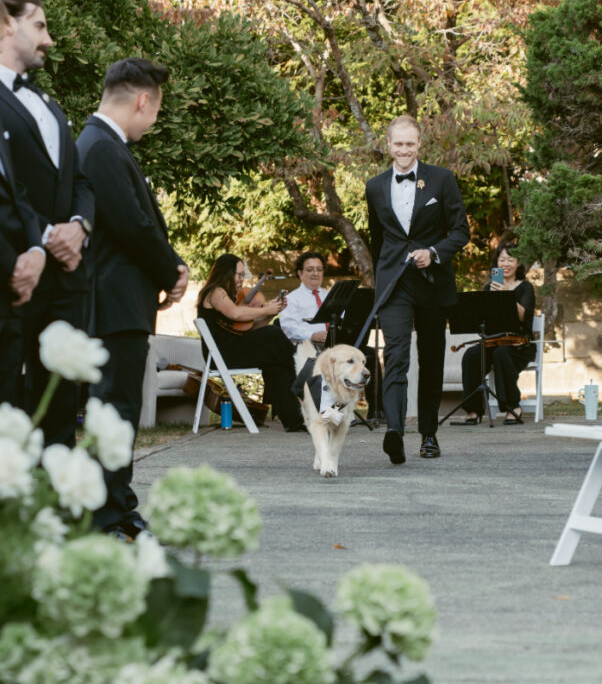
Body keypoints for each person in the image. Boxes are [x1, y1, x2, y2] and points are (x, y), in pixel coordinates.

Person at [76, 57, 188, 540]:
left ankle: (119, 506)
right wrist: (171, 270)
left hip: (122, 302)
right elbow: (131, 226)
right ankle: (104, 517)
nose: (154, 120)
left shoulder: (105, 145)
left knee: (119, 412)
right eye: (156, 110)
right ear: (143, 100)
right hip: (111, 303)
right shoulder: (100, 148)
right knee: (112, 412)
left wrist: (171, 266)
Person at [0, 0, 93, 444]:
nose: (49, 39)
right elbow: (7, 189)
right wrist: (41, 237)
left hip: (66, 276)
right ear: (6, 25)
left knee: (62, 402)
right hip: (16, 270)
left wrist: (78, 228)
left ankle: (58, 508)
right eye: (39, 26)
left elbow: (79, 181)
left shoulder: (51, 106)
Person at [366, 115, 470, 464]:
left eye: (410, 144)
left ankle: (428, 434)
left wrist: (434, 252)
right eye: (399, 144)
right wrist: (383, 274)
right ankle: (394, 430)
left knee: (430, 359)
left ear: (420, 144)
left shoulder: (442, 180)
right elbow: (377, 239)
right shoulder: (374, 186)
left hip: (432, 283)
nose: (404, 150)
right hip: (394, 284)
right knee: (395, 354)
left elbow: (460, 231)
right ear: (388, 145)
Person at [197, 254, 305, 431]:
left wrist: (270, 313)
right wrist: (266, 308)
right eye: (239, 274)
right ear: (227, 273)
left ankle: (294, 420)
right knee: (274, 334)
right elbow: (236, 314)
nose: (241, 279)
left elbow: (249, 328)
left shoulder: (228, 296)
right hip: (222, 354)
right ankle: (302, 373)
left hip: (233, 349)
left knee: (274, 364)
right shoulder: (216, 292)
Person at [0, 0, 46, 404]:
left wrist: (34, 248)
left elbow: (18, 194)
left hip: (11, 298)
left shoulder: (29, 105)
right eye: (39, 26)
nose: (48, 39)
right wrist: (13, 263)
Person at [280, 250, 383, 418]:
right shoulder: (292, 299)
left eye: (319, 269)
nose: (315, 273)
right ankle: (332, 412)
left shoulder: (330, 295)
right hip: (311, 348)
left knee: (369, 354)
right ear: (300, 273)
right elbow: (288, 327)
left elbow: (343, 321)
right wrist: (311, 335)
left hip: (336, 344)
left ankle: (377, 411)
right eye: (310, 269)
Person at [460, 237, 536, 425]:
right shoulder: (489, 287)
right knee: (471, 355)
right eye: (502, 260)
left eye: (511, 260)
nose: (506, 264)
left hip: (519, 344)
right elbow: (481, 319)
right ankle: (473, 409)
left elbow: (523, 317)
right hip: (494, 341)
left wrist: (505, 296)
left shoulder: (526, 288)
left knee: (502, 354)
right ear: (497, 263)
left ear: (518, 263)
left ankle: (513, 406)